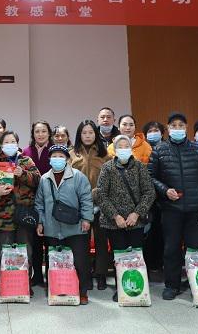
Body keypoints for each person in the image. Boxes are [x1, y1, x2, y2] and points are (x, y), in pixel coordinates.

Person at [147, 112, 198, 300]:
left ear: (186, 128)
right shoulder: (159, 150)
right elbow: (150, 177)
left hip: (196, 210)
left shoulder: (197, 149)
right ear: (167, 129)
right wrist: (165, 190)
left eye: (181, 125)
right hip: (171, 209)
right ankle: (172, 285)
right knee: (171, 249)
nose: (177, 128)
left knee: (196, 250)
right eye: (173, 125)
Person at [97, 135, 156, 301]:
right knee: (120, 256)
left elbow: (149, 192)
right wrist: (115, 216)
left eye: (126, 146)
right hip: (114, 223)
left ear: (130, 148)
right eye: (120, 146)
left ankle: (139, 286)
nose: (123, 149)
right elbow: (101, 194)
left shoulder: (139, 167)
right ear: (115, 150)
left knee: (136, 256)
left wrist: (136, 213)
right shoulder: (107, 167)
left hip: (135, 221)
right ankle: (121, 288)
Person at [35, 144, 94, 305]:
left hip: (75, 227)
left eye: (61, 156)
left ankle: (82, 292)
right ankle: (57, 290)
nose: (57, 159)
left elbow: (86, 199)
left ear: (67, 159)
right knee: (54, 261)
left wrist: (87, 219)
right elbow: (39, 203)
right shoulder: (44, 179)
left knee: (80, 262)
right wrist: (40, 222)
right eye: (54, 156)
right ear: (49, 159)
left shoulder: (78, 176)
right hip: (52, 228)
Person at [0, 130, 41, 294]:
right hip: (3, 216)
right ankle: (7, 284)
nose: (9, 145)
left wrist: (23, 173)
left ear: (17, 144)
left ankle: (25, 284)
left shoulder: (26, 160)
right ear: (1, 145)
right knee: (6, 251)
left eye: (12, 142)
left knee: (26, 250)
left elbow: (38, 180)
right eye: (6, 142)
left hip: (24, 213)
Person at [70, 119, 112, 290]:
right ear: (79, 135)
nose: (87, 136)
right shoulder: (71, 153)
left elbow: (110, 179)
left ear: (96, 134)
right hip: (79, 204)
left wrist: (97, 194)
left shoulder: (105, 154)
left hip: (101, 202)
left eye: (91, 132)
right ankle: (83, 274)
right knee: (82, 241)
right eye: (84, 133)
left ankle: (101, 274)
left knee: (102, 241)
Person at [23, 120, 52, 286]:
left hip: (50, 201)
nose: (40, 134)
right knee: (34, 240)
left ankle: (49, 274)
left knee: (49, 239)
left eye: (43, 131)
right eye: (37, 131)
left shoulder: (54, 152)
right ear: (33, 134)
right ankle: (36, 276)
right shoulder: (26, 152)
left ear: (49, 134)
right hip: (31, 202)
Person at [142, 120, 166, 273]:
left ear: (162, 132)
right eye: (149, 131)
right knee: (148, 233)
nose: (153, 133)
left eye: (156, 130)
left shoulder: (167, 147)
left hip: (165, 197)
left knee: (163, 232)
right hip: (147, 198)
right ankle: (150, 264)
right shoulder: (143, 148)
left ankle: (161, 263)